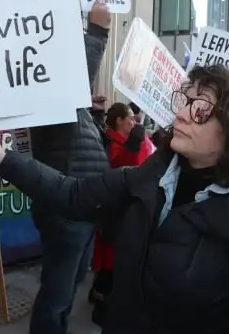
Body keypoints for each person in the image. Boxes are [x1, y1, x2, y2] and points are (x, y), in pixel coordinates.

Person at [0, 65, 229, 334]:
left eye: (200, 109)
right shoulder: (149, 178)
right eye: (184, 101)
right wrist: (3, 159)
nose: (182, 114)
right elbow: (72, 194)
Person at [25, 0, 111, 334]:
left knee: (71, 281)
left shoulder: (68, 100)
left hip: (83, 206)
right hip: (66, 208)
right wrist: (98, 34)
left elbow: (78, 138)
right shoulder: (46, 91)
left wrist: (93, 115)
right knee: (58, 291)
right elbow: (74, 84)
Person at [90, 102, 155, 326]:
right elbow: (121, 169)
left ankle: (100, 295)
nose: (134, 121)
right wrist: (135, 142)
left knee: (115, 260)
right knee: (110, 260)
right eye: (130, 117)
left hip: (128, 209)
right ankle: (101, 306)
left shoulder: (125, 141)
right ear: (119, 121)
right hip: (114, 210)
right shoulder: (110, 142)